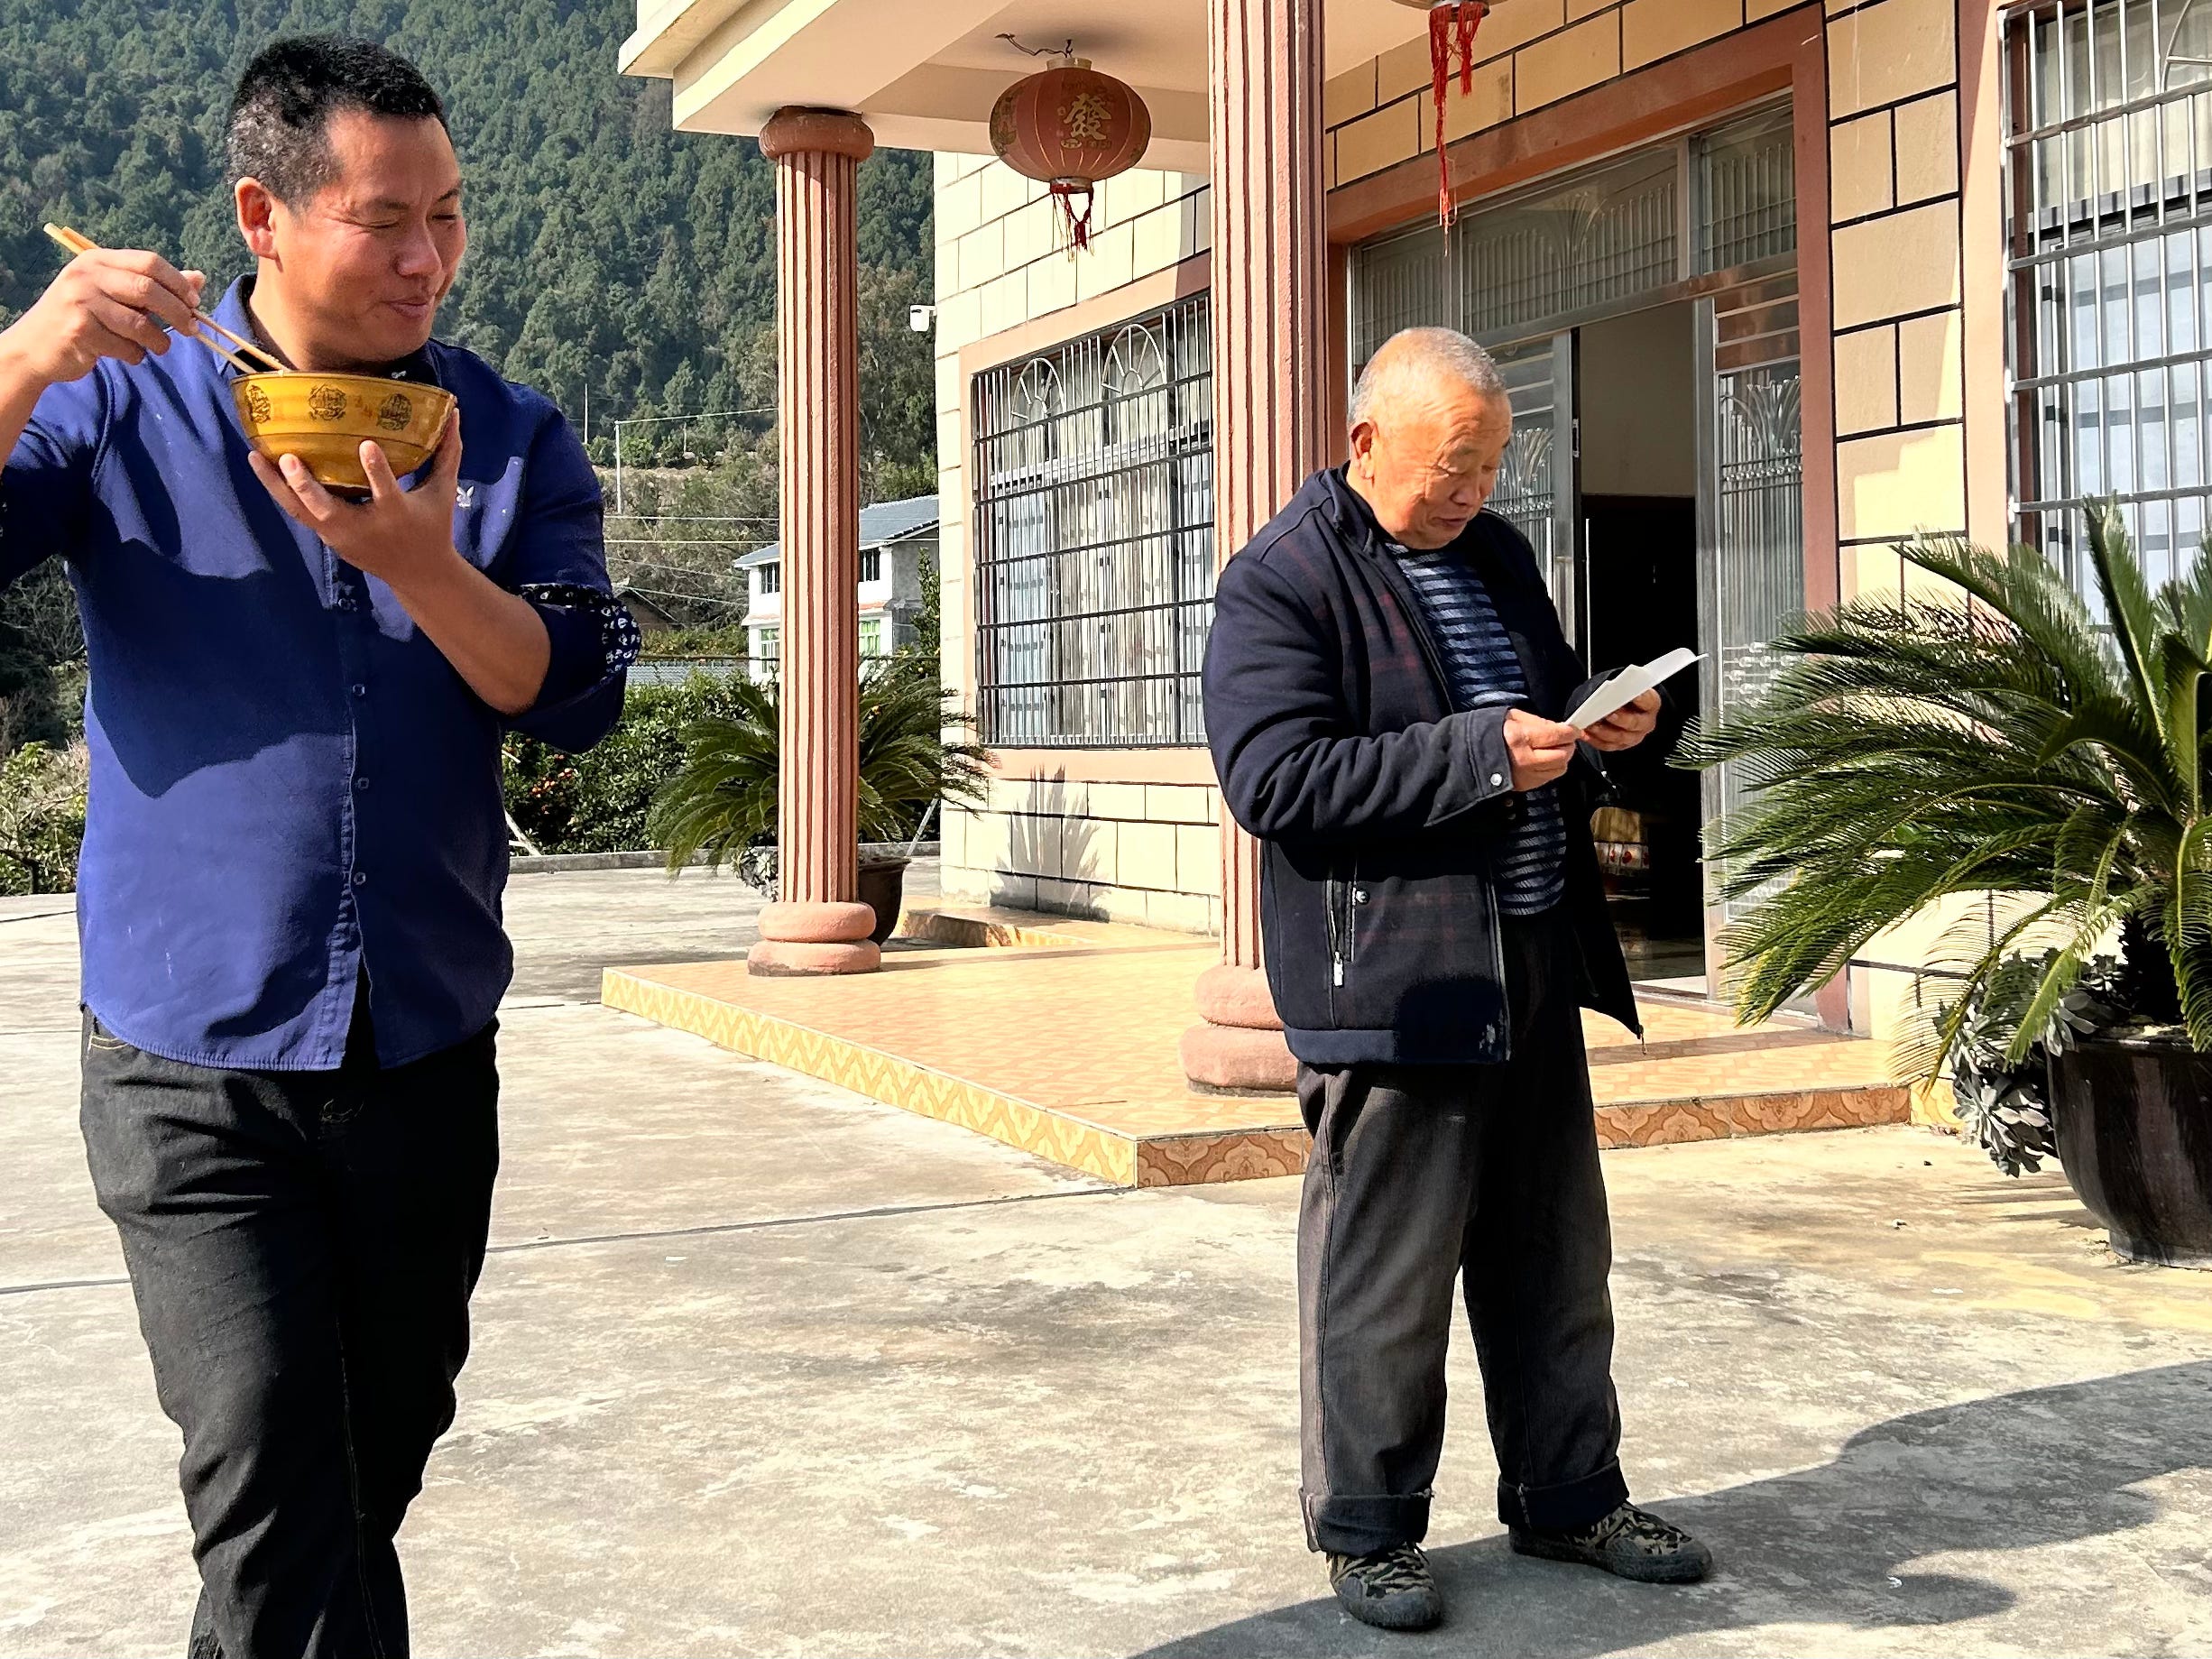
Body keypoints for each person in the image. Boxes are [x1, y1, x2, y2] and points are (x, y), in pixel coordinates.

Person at [0, 36, 636, 1659]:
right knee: (273, 1480)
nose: (428, 258)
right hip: (187, 1054)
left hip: (422, 1041)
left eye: (449, 214)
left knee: (367, 1473)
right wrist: (19, 360)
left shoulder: (503, 433)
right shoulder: (116, 402)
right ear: (261, 217)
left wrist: (424, 565)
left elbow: (574, 687)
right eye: (383, 220)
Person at [1203, 327, 1709, 1632]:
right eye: (1452, 469)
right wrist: (1479, 755)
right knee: (1385, 1279)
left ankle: (1569, 1495)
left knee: (1558, 1257)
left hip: (1527, 954)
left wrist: (1601, 722)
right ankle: (1370, 1532)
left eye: (1490, 467)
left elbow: (1530, 706)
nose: (1474, 493)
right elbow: (1276, 782)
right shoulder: (1282, 581)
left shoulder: (1495, 556)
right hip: (1398, 982)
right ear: (1366, 442)